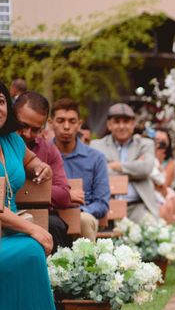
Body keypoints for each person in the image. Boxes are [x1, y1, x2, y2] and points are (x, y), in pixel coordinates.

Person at [0, 81, 64, 310]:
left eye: (0, 101)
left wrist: (41, 168)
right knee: (31, 247)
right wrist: (35, 230)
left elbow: (31, 162)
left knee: (30, 249)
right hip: (8, 224)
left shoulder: (11, 139)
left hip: (10, 226)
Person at [14, 91, 72, 251]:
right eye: (23, 125)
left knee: (54, 226)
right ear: (12, 116)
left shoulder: (49, 150)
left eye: (35, 129)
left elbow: (64, 195)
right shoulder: (6, 142)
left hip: (41, 216)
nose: (27, 134)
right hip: (8, 213)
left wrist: (39, 186)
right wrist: (35, 188)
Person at [51, 98, 110, 241]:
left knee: (82, 220)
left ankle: (89, 263)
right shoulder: (40, 154)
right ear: (50, 123)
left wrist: (81, 211)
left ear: (79, 124)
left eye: (72, 121)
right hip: (52, 215)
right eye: (60, 121)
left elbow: (102, 203)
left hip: (85, 215)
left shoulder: (96, 158)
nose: (66, 126)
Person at [91, 103, 158, 223]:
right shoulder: (96, 146)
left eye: (126, 122)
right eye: (117, 122)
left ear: (133, 124)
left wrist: (117, 166)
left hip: (138, 207)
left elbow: (146, 168)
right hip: (107, 206)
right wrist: (135, 168)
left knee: (152, 229)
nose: (122, 126)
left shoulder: (145, 144)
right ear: (109, 125)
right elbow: (98, 174)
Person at [150, 127, 175, 224]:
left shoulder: (170, 162)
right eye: (157, 140)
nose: (160, 144)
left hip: (163, 193)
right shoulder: (148, 157)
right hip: (152, 191)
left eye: (163, 141)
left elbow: (163, 186)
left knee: (169, 201)